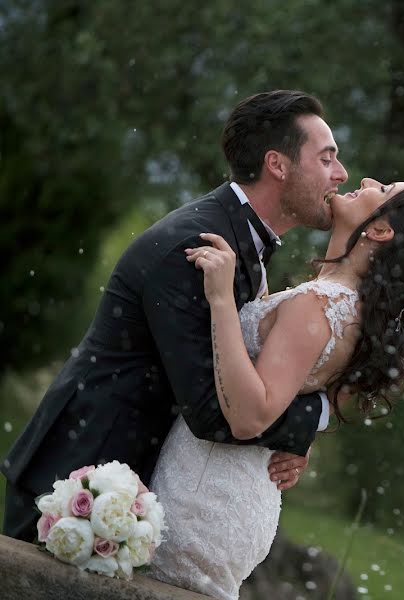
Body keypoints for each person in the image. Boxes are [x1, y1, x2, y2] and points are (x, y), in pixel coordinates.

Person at [1, 90, 347, 542]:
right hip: (76, 483)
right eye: (326, 159)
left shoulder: (238, 240)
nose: (340, 174)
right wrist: (311, 416)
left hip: (127, 485)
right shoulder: (192, 248)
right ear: (277, 165)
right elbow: (210, 409)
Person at [145, 178, 404, 599]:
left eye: (384, 189)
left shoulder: (318, 306)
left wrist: (222, 300)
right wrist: (302, 438)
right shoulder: (346, 308)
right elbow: (300, 395)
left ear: (380, 230)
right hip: (233, 491)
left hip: (204, 497)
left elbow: (250, 414)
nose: (366, 181)